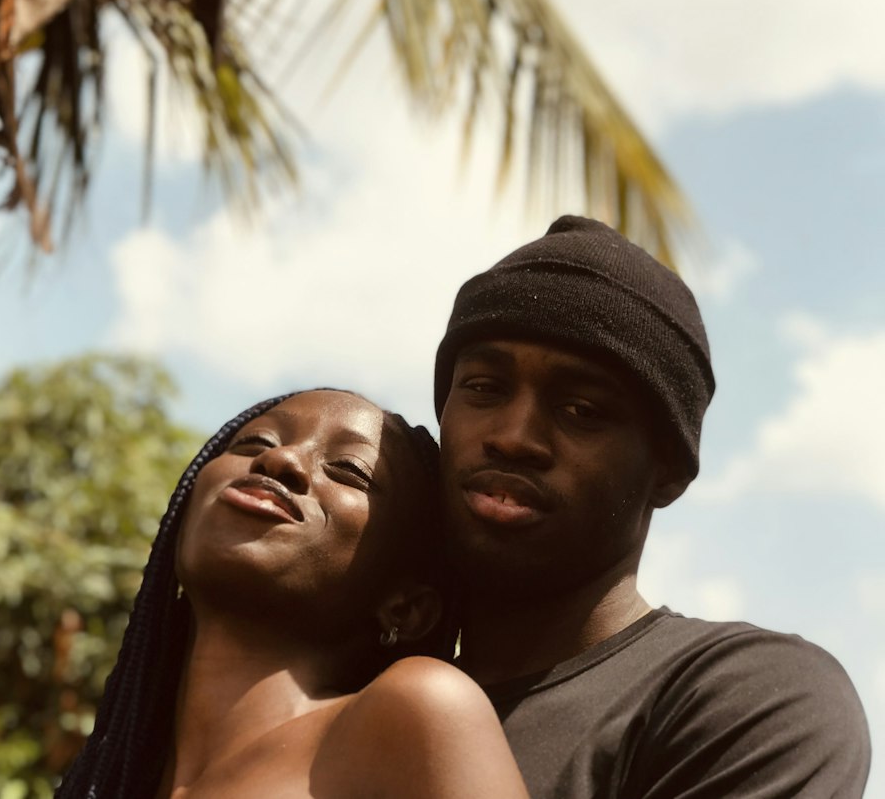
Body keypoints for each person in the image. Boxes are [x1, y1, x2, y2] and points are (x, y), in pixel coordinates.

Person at [433, 214, 871, 798]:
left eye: (582, 410)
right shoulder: (335, 696)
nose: (514, 436)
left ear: (668, 472)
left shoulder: (744, 700)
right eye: (485, 388)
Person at [56, 387, 529, 799]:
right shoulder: (112, 777)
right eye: (254, 442)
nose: (280, 460)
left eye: (348, 470)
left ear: (404, 608)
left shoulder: (416, 711)